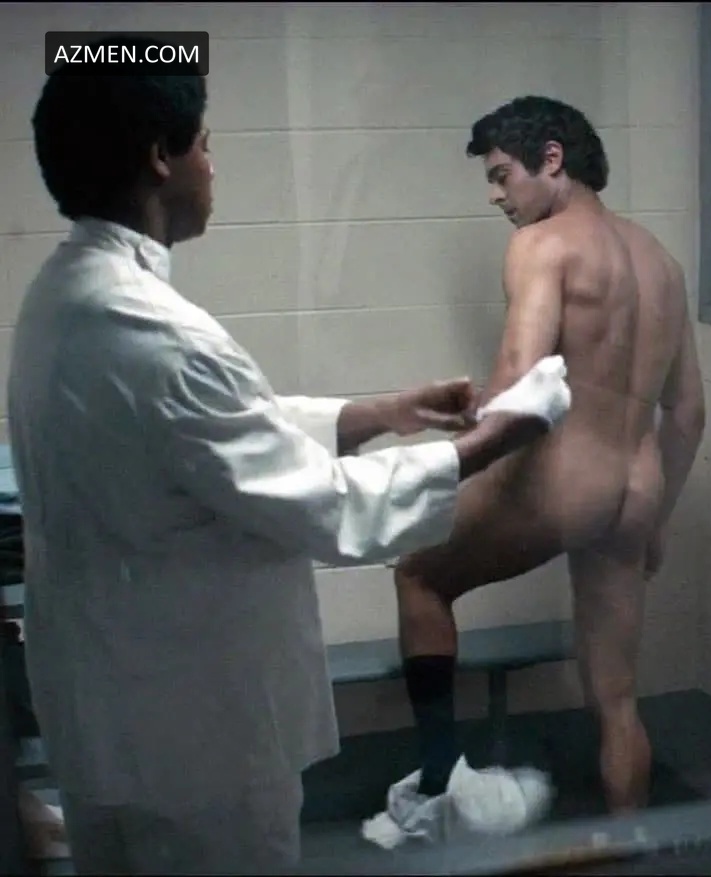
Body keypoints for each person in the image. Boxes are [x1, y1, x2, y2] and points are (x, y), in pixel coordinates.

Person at [8, 43, 573, 876]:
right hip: (195, 740)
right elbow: (327, 507)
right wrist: (499, 436)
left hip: (114, 711)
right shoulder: (158, 333)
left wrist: (383, 412)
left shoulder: (62, 299)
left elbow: (208, 436)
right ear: (160, 156)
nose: (212, 165)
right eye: (206, 143)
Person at [363, 96, 707, 848]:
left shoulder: (541, 245)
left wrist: (454, 438)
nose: (496, 196)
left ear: (552, 159)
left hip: (566, 480)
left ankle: (435, 790)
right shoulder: (662, 262)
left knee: (419, 575)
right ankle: (629, 844)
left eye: (500, 176)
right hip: (637, 486)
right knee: (618, 699)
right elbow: (687, 414)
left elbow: (519, 381)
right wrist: (657, 520)